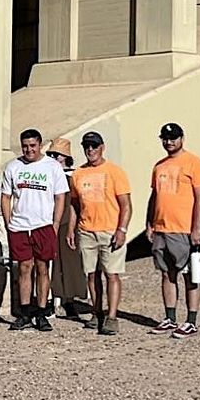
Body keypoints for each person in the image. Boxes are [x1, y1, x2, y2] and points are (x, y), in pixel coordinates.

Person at [1, 129, 69, 332]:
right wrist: (8, 221)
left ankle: (41, 312)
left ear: (40, 145)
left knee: (42, 268)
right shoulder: (13, 166)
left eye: (33, 145)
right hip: (20, 225)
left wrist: (55, 224)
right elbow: (5, 196)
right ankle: (24, 313)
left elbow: (60, 197)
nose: (29, 150)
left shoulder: (52, 166)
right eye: (25, 146)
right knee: (24, 268)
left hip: (43, 225)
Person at [146, 122, 200, 339]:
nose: (169, 142)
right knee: (167, 272)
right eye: (165, 138)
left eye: (173, 138)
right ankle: (170, 317)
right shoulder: (159, 166)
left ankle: (191, 321)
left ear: (182, 138)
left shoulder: (194, 164)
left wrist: (196, 227)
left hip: (183, 228)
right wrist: (150, 223)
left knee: (190, 274)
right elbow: (154, 197)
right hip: (162, 228)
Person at [68, 131, 132, 336]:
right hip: (87, 231)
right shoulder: (78, 174)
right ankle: (97, 312)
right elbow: (74, 205)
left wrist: (121, 229)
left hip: (110, 230)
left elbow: (126, 204)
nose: (90, 150)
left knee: (111, 274)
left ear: (102, 147)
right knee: (91, 275)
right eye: (87, 146)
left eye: (94, 146)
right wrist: (71, 228)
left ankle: (112, 317)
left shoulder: (115, 172)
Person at [47, 138, 88, 322]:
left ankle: (69, 299)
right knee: (49, 264)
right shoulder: (47, 173)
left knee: (69, 263)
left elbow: (75, 204)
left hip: (65, 223)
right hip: (47, 222)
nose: (53, 158)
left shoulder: (73, 177)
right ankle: (50, 300)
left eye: (56, 155)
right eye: (51, 155)